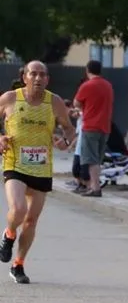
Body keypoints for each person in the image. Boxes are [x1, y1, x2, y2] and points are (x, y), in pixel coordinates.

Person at [0, 61, 75, 283]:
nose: (38, 78)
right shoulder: (10, 98)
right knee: (19, 208)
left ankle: (18, 265)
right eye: (33, 74)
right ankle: (9, 233)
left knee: (31, 221)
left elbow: (69, 128)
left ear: (47, 79)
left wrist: (66, 140)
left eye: (42, 74)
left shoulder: (55, 102)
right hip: (15, 163)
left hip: (41, 168)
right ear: (25, 77)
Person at [73, 60, 115, 197]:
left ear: (87, 70)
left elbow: (76, 103)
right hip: (105, 126)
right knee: (98, 158)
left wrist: (81, 109)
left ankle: (95, 187)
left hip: (91, 126)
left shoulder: (87, 85)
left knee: (91, 159)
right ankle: (94, 185)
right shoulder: (108, 85)